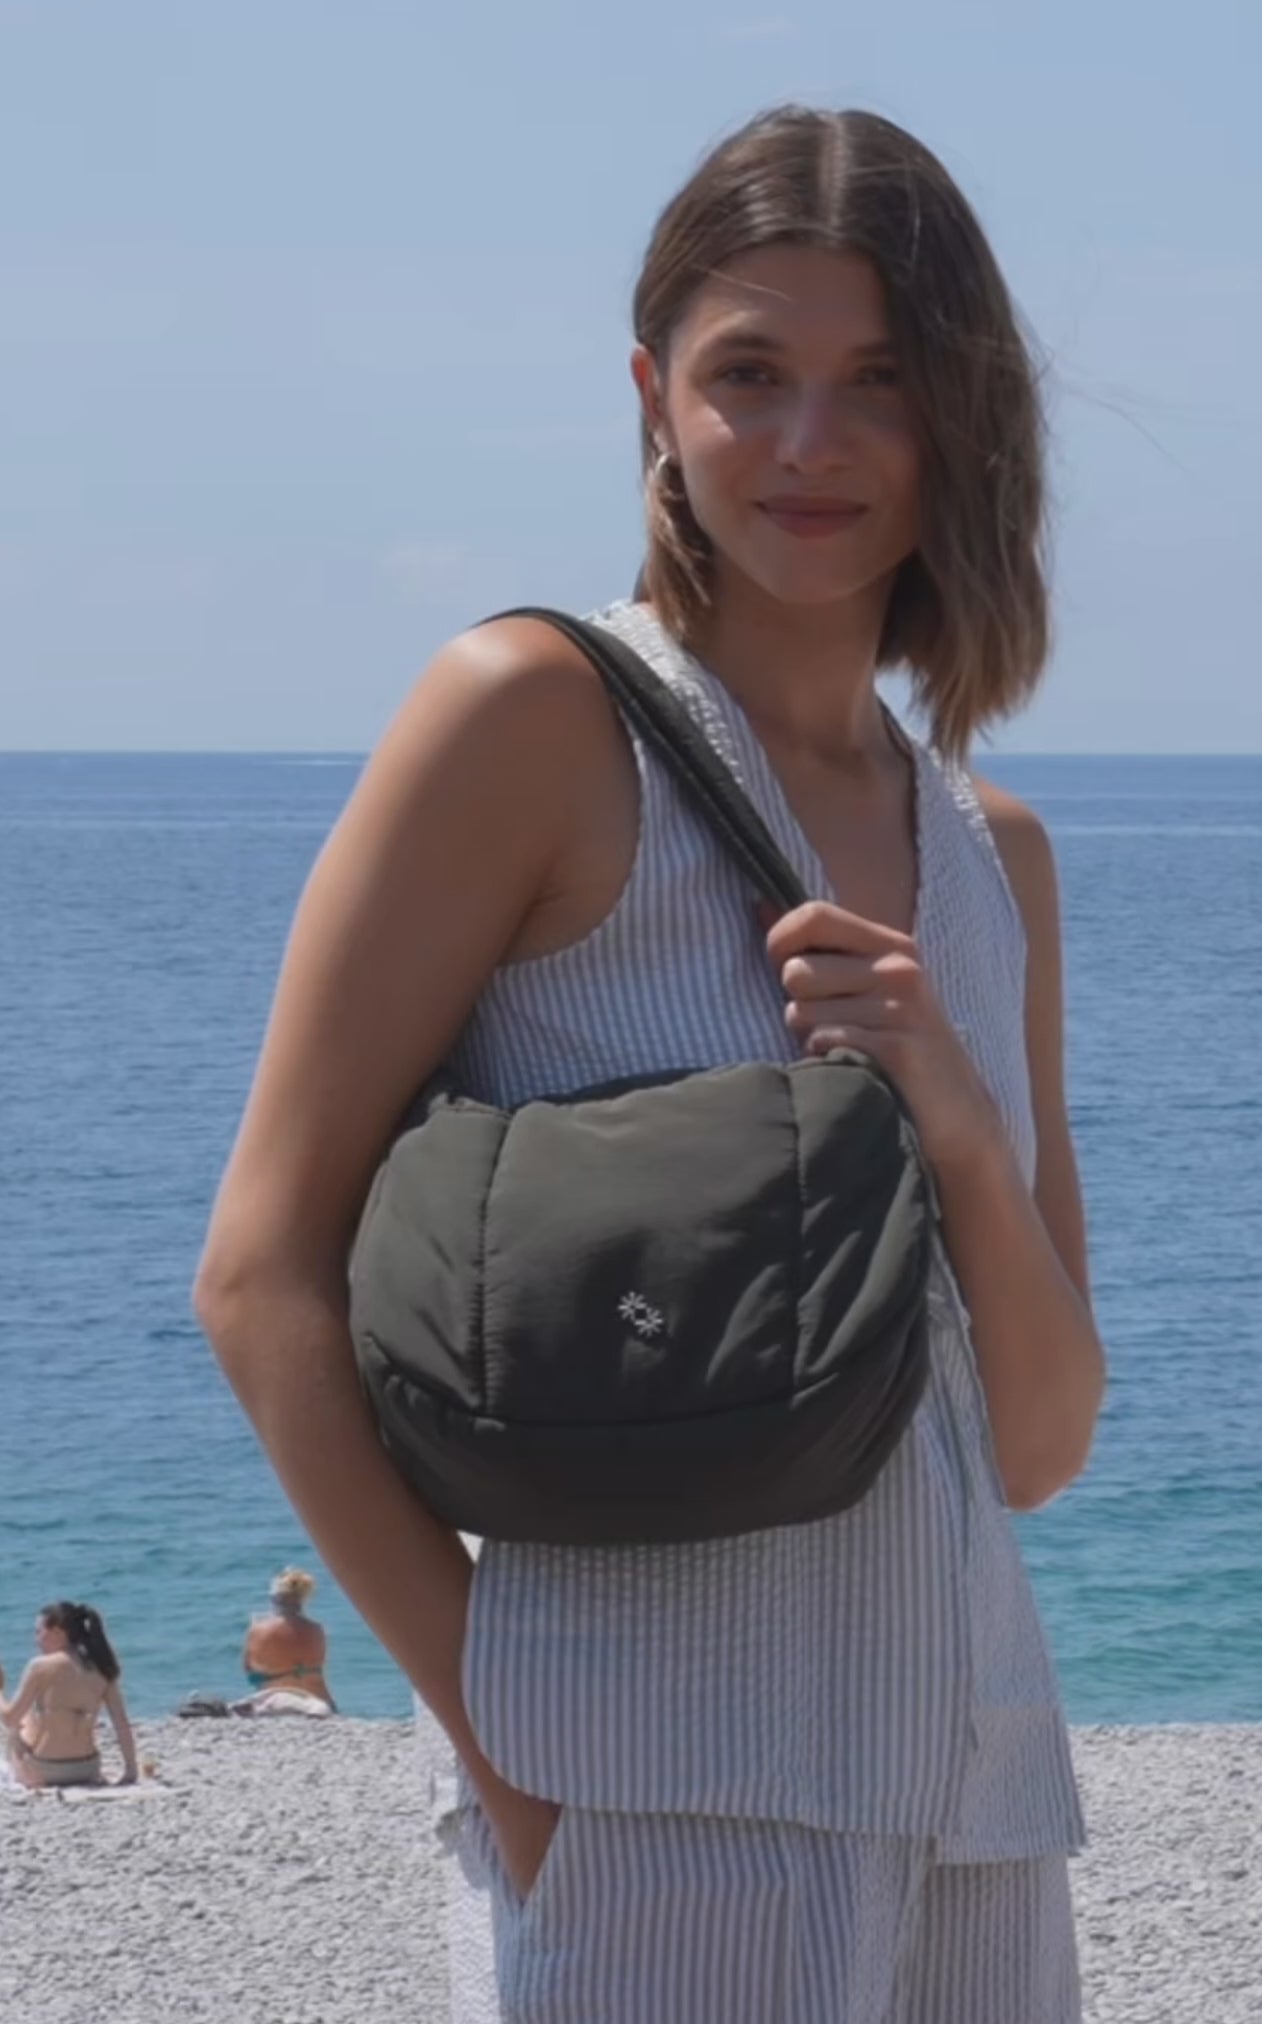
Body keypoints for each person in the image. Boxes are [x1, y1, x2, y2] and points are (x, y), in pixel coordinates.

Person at [194, 103, 1107, 2022]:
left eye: (879, 378)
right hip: (648, 1797)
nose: (809, 440)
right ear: (652, 398)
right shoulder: (532, 720)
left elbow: (1038, 1442)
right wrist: (518, 1757)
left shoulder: (993, 853)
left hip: (981, 1796)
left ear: (963, 411)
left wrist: (951, 1112)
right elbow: (261, 1274)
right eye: (750, 372)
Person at [0, 1600, 139, 1790]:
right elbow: (120, 1721)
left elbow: (9, 1719)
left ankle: (29, 1778)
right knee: (29, 1717)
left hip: (46, 1770)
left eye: (39, 1632)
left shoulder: (40, 1666)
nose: (36, 1640)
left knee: (18, 1725)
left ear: (58, 1632)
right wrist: (131, 1769)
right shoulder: (102, 1665)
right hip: (87, 1768)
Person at [240, 1565, 336, 1709]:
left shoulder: (259, 1630)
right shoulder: (317, 1630)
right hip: (319, 1701)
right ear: (303, 1599)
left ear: (276, 1598)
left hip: (275, 1703)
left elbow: (249, 1670)